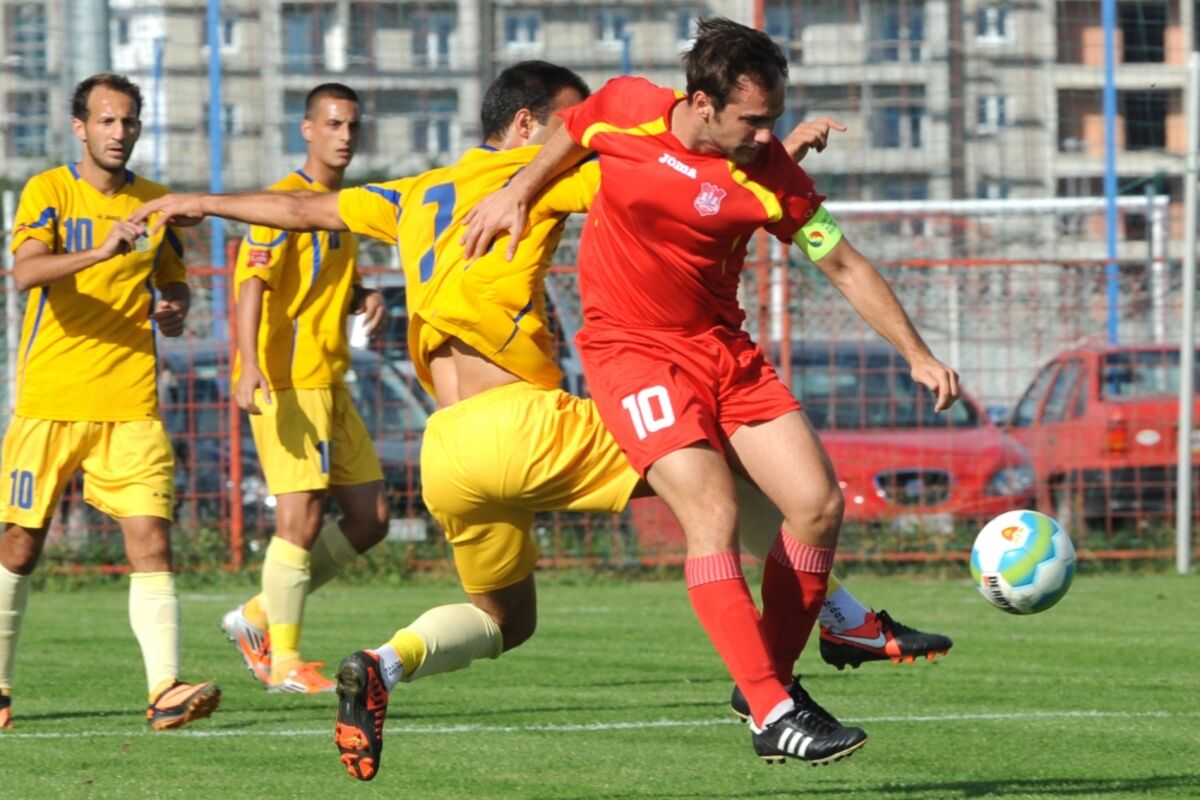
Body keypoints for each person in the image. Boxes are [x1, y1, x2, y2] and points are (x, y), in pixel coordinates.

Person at [132, 61, 949, 777]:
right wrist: (769, 158)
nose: (582, 135)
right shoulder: (553, 170)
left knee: (506, 620)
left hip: (449, 449)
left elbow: (305, 209)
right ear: (529, 126)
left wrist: (198, 200)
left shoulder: (413, 192)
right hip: (526, 425)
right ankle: (839, 622)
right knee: (721, 463)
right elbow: (674, 174)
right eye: (570, 122)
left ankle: (383, 664)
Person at [461, 19, 960, 766]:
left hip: (725, 352)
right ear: (701, 103)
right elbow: (571, 128)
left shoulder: (772, 174)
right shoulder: (629, 105)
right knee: (713, 512)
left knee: (818, 505)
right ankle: (774, 711)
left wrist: (917, 354)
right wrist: (518, 192)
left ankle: (769, 687)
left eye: (774, 119)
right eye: (753, 119)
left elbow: (845, 264)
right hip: (632, 353)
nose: (767, 135)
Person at [0, 73, 220, 731]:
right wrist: (99, 251)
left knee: (151, 539)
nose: (118, 132)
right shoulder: (48, 191)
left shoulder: (157, 204)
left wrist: (176, 307)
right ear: (81, 128)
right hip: (51, 400)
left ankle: (165, 690)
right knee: (19, 546)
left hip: (131, 402)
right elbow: (25, 272)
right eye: (105, 120)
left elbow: (174, 283)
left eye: (128, 121)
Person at [216, 83, 390, 694]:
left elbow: (325, 281)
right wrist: (249, 364)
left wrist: (364, 295)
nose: (345, 136)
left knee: (371, 518)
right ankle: (284, 662)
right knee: (301, 515)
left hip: (330, 380)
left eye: (353, 125)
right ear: (308, 129)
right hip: (287, 381)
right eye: (333, 124)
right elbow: (251, 285)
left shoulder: (342, 208)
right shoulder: (282, 202)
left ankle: (258, 614)